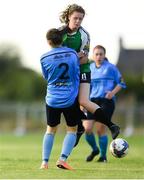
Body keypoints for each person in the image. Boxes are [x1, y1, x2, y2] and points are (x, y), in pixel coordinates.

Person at [58, 4, 120, 146]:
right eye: (75, 18)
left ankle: (112, 126)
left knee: (84, 101)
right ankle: (80, 128)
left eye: (81, 19)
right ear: (68, 17)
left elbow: (84, 59)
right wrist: (74, 55)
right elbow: (57, 56)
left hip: (83, 70)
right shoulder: (59, 33)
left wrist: (70, 57)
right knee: (69, 103)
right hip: (67, 73)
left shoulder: (85, 35)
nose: (78, 21)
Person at [40, 28, 86, 170]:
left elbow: (47, 77)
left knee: (50, 130)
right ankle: (62, 159)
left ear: (48, 42)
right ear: (62, 39)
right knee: (72, 130)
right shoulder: (72, 54)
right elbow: (75, 70)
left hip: (52, 99)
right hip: (69, 98)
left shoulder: (44, 58)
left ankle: (44, 163)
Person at [83, 45, 126, 162]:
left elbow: (121, 83)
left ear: (104, 55)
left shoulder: (111, 68)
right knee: (87, 128)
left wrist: (112, 93)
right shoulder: (89, 68)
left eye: (101, 54)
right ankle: (95, 149)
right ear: (93, 55)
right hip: (92, 101)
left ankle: (103, 156)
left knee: (100, 129)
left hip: (106, 101)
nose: (99, 56)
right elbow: (85, 86)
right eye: (96, 54)